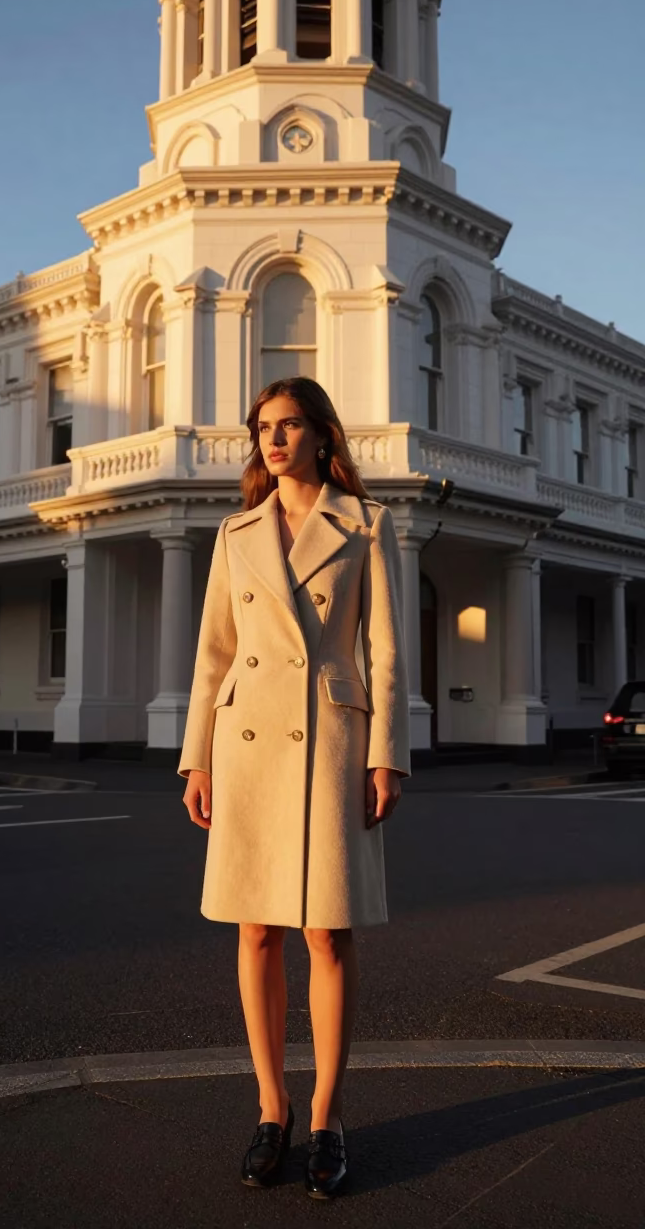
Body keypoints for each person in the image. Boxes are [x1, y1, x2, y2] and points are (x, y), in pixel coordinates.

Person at [179, 377, 410, 1199]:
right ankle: (271, 1107)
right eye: (262, 428)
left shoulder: (366, 524)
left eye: (288, 426)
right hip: (246, 745)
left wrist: (388, 754)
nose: (272, 439)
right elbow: (213, 656)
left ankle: (326, 1116)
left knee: (327, 936)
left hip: (332, 741)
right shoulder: (236, 531)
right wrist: (197, 758)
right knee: (256, 934)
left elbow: (384, 652)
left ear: (321, 435)